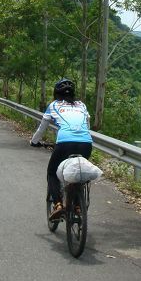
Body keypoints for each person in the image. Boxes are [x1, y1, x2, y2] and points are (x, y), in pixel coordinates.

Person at [30, 78, 92, 220]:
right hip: (86, 143)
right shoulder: (82, 105)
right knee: (79, 173)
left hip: (65, 144)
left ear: (56, 93)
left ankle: (58, 205)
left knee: (52, 173)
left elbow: (42, 128)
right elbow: (87, 126)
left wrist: (34, 142)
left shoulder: (54, 105)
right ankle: (77, 206)